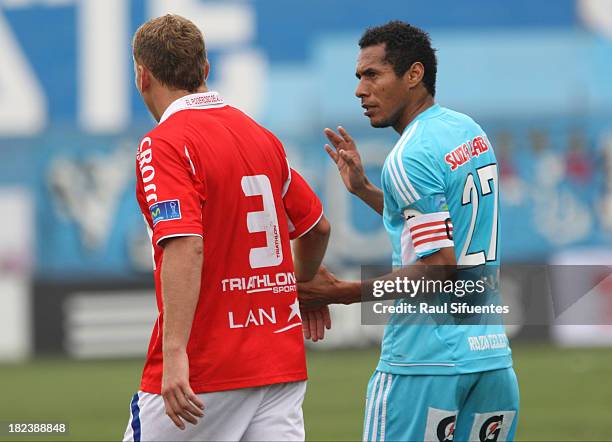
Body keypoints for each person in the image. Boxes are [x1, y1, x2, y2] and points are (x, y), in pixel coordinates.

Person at [298, 21, 519, 442]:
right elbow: (436, 228)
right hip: (489, 360)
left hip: (424, 363)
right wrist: (365, 190)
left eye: (372, 75)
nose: (360, 91)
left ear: (413, 75)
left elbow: (440, 270)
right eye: (359, 78)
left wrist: (343, 292)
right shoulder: (468, 131)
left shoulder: (408, 155)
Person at [124, 14, 331, 442]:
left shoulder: (162, 143)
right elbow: (317, 228)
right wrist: (303, 283)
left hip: (207, 366)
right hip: (279, 363)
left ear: (143, 76)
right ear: (205, 70)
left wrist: (176, 352)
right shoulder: (260, 136)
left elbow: (185, 245)